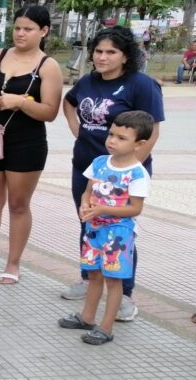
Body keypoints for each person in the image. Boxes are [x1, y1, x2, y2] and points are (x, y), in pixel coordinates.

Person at [61, 25, 164, 320]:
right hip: (87, 167)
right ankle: (88, 278)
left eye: (111, 52)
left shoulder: (141, 85)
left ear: (125, 56)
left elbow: (152, 132)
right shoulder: (87, 81)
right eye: (99, 51)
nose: (103, 57)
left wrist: (127, 169)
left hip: (121, 177)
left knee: (119, 234)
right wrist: (77, 130)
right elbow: (69, 103)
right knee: (89, 222)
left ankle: (124, 295)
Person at [0, 5, 63, 284]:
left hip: (27, 142)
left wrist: (20, 102)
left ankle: (13, 263)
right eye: (17, 28)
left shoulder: (48, 66)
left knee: (18, 204)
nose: (20, 33)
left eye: (28, 29)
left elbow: (50, 112)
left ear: (43, 31)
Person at [57, 111, 153, 345]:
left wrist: (102, 210)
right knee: (94, 274)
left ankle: (106, 327)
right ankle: (87, 317)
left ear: (139, 144)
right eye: (111, 134)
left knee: (113, 279)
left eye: (121, 138)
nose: (112, 141)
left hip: (118, 234)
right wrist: (84, 204)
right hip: (94, 230)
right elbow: (87, 191)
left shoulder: (137, 173)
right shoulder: (100, 163)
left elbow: (135, 209)